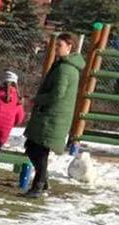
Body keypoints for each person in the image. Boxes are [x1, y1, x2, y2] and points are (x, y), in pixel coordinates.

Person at [21, 31, 83, 195]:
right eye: (56, 45)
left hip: (51, 118)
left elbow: (57, 94)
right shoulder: (64, 66)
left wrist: (36, 100)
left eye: (59, 45)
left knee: (39, 151)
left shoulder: (65, 69)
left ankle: (38, 186)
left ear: (69, 47)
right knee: (33, 148)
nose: (56, 48)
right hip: (50, 116)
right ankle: (43, 182)